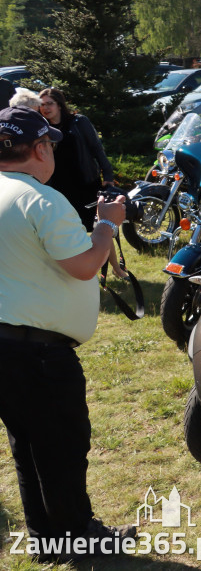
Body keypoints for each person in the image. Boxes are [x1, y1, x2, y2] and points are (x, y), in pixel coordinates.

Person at [0, 106, 137, 561]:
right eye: (50, 144)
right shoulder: (40, 199)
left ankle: (46, 538)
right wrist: (107, 223)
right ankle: (80, 536)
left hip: (6, 348)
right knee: (62, 446)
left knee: (27, 446)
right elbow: (83, 266)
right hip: (40, 353)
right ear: (39, 148)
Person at [38, 88, 115, 232]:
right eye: (42, 105)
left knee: (95, 227)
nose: (45, 108)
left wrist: (108, 175)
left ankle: (103, 254)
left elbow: (97, 148)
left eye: (50, 103)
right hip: (58, 186)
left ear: (59, 105)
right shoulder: (42, 128)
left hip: (85, 182)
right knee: (67, 229)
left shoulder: (78, 122)